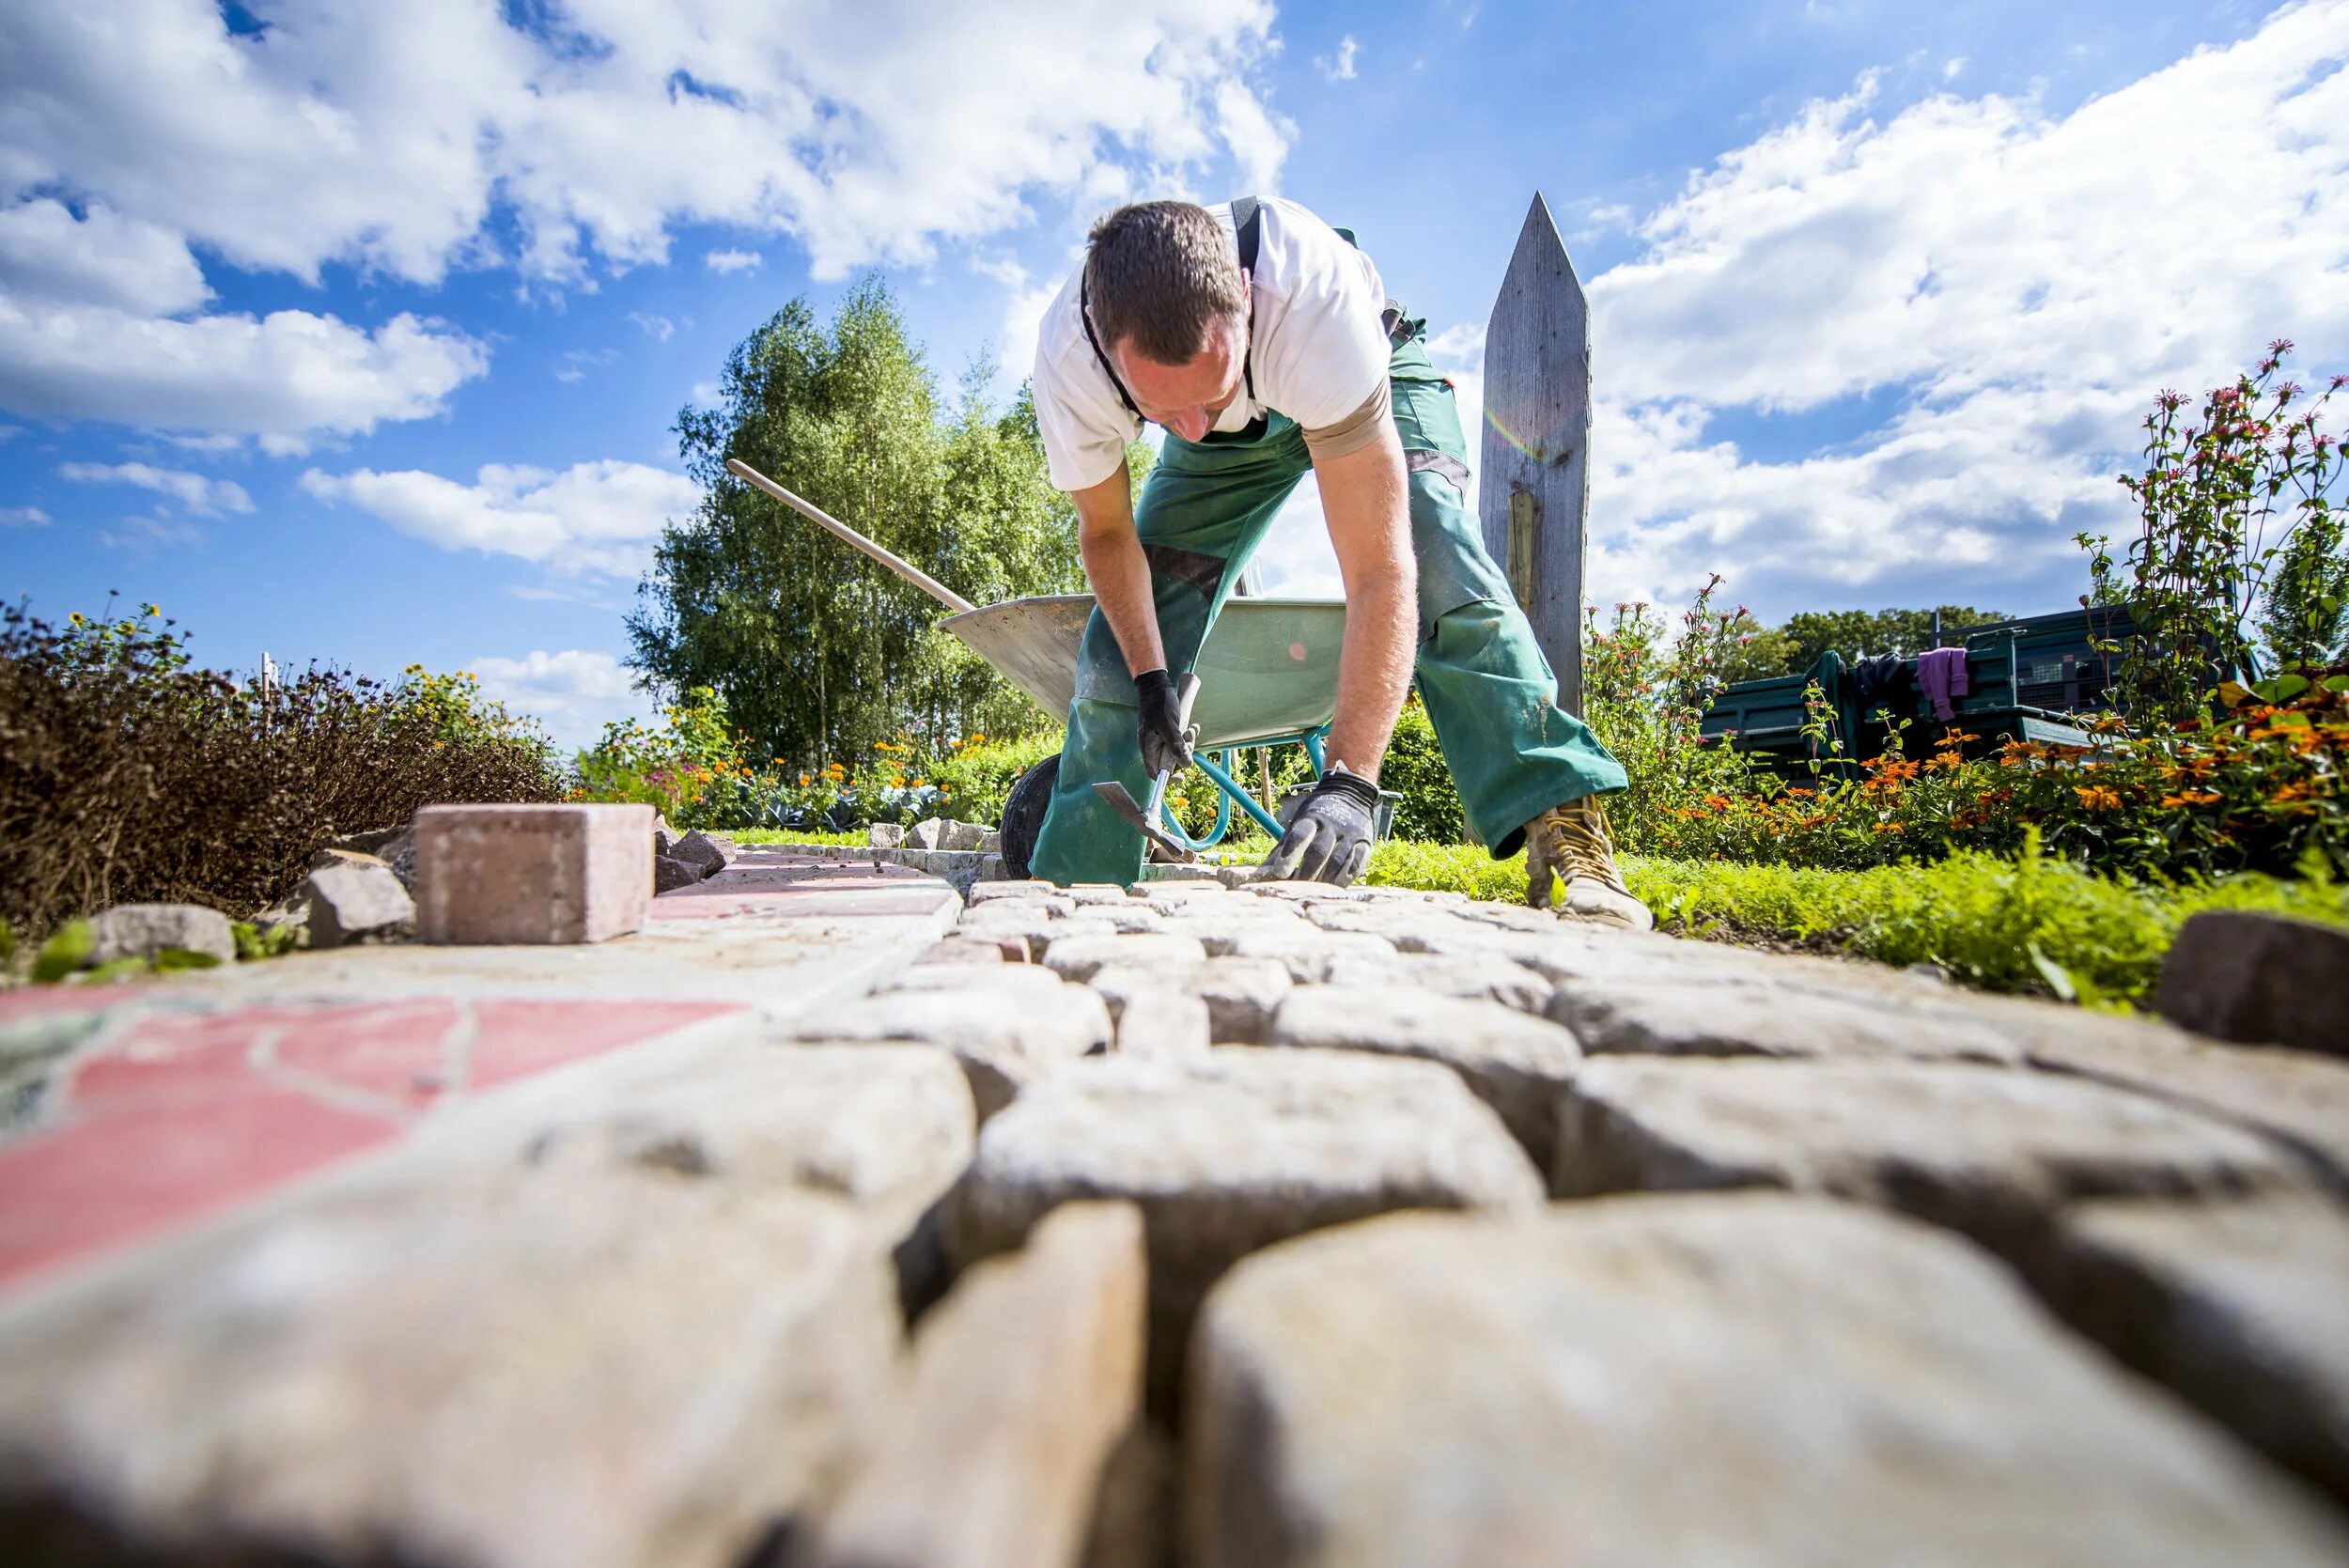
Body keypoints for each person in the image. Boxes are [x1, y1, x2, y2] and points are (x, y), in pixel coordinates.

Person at [1025, 195, 1649, 928]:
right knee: (1120, 647)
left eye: (1210, 390)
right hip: (1224, 449)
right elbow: (1107, 534)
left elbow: (1380, 571)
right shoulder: (1073, 362)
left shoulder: (1312, 303)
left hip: (1365, 379)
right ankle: (1072, 891)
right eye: (1162, 413)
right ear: (1111, 351)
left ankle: (1569, 836)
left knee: (1438, 556)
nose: (1190, 427)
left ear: (1247, 303)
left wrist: (1351, 780)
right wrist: (1150, 676)